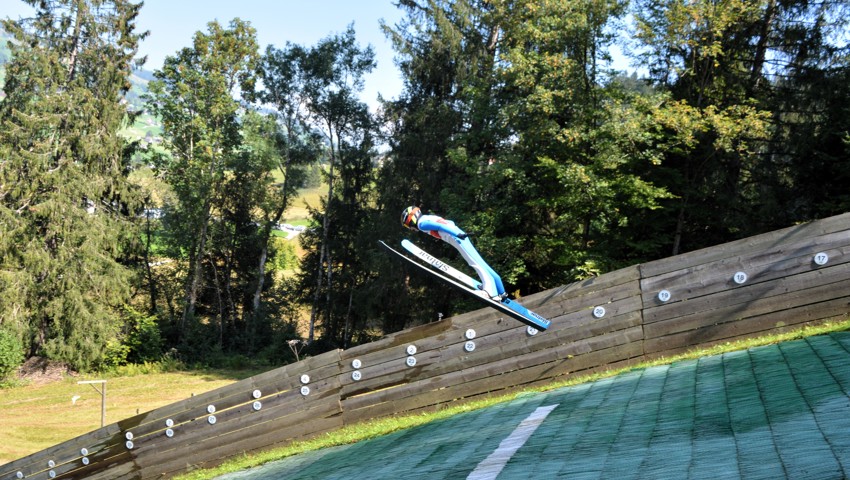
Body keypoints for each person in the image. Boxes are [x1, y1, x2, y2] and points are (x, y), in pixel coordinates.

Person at [401, 206, 506, 300]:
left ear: (411, 219)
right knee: (480, 262)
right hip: (459, 235)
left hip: (457, 238)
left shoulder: (421, 224)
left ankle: (489, 292)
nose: (410, 228)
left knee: (474, 262)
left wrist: (456, 234)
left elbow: (439, 226)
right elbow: (450, 222)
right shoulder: (427, 217)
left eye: (408, 225)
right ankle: (501, 292)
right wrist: (457, 231)